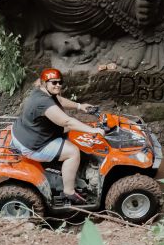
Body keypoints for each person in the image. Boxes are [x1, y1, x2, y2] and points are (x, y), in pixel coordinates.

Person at [11, 68, 104, 205]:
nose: (58, 85)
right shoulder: (43, 102)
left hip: (24, 133)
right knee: (73, 152)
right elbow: (67, 122)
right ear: (44, 83)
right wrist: (93, 130)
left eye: (60, 82)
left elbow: (58, 99)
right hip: (33, 146)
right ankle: (69, 192)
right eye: (53, 83)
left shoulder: (41, 92)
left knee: (72, 129)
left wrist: (80, 106)